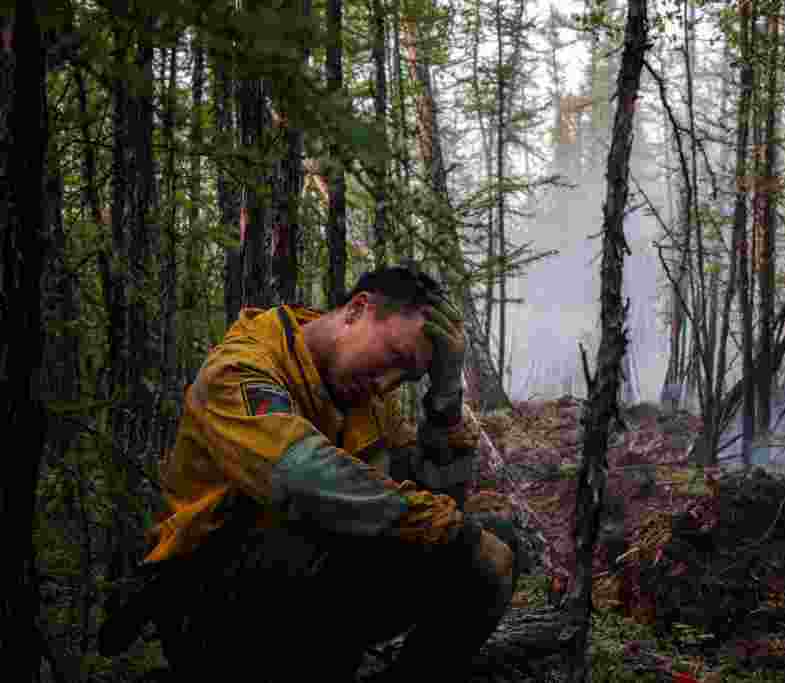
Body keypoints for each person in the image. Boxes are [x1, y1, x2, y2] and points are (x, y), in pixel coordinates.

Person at [99, 264, 519, 682]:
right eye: (394, 358)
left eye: (405, 378)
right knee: (356, 523)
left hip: (305, 591)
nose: (386, 385)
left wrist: (445, 397)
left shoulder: (364, 396)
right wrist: (451, 533)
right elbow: (301, 479)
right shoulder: (241, 366)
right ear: (357, 309)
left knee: (493, 542)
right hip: (209, 606)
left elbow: (440, 500)